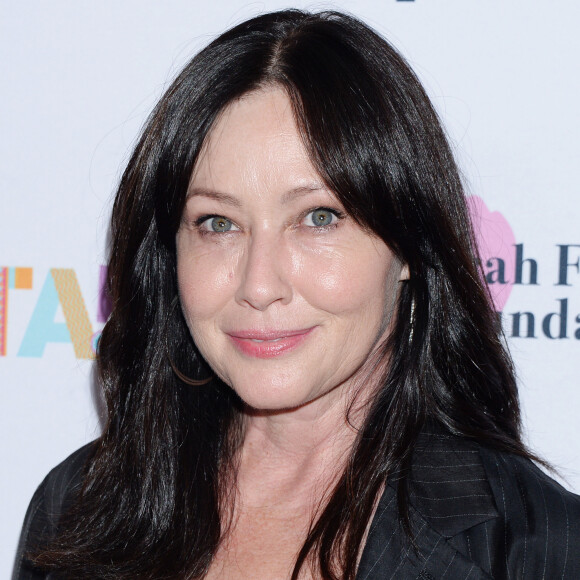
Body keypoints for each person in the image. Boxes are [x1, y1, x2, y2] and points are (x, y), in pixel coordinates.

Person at [12, 9, 580, 580]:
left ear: (409, 245)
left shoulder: (531, 546)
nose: (259, 285)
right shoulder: (77, 506)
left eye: (318, 217)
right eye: (217, 223)